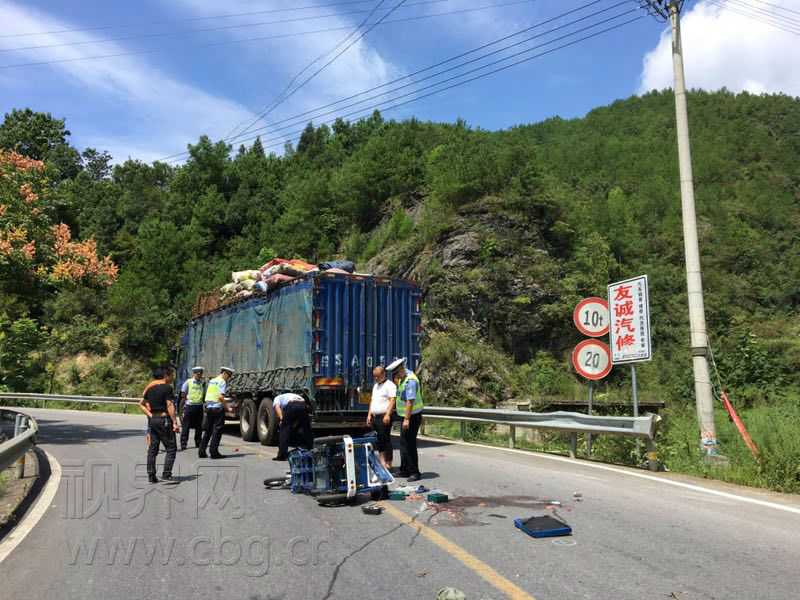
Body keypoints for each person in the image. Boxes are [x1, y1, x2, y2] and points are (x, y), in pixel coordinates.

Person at [139, 367, 179, 484]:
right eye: (171, 375)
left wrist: (150, 415)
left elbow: (141, 404)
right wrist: (175, 422)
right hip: (164, 420)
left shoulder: (150, 389)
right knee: (171, 448)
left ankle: (151, 476)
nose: (172, 377)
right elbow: (170, 405)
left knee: (152, 449)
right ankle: (167, 474)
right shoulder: (167, 388)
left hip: (154, 420)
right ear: (166, 375)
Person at [388, 357, 423, 482]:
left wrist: (407, 419)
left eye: (396, 374)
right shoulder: (403, 378)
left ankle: (415, 472)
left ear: (401, 369)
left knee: (410, 445)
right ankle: (405, 470)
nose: (395, 377)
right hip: (406, 417)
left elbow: (410, 402)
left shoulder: (410, 381)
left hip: (412, 417)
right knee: (403, 443)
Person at [198, 366, 232, 459]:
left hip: (209, 408)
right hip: (217, 408)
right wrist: (227, 407)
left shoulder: (213, 380)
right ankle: (214, 453)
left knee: (208, 430)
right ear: (224, 373)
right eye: (228, 376)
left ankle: (201, 451)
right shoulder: (222, 381)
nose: (229, 378)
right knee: (217, 431)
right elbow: (221, 397)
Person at [367, 365, 396, 470]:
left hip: (384, 417)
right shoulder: (376, 386)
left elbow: (392, 400)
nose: (375, 378)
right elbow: (372, 401)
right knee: (378, 441)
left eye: (377, 376)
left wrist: (388, 415)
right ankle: (383, 463)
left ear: (383, 374)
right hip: (375, 417)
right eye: (374, 376)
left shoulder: (390, 385)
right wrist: (369, 414)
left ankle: (389, 464)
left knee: (386, 440)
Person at [272, 392, 314, 461]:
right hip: (303, 405)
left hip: (292, 405)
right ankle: (311, 451)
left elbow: (277, 406)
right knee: (307, 429)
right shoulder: (291, 395)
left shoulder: (277, 398)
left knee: (284, 430)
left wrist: (282, 419)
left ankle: (281, 455)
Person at [179, 366, 205, 450]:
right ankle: (183, 443)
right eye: (198, 373)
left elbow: (203, 393)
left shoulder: (202, 382)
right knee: (186, 425)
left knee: (199, 426)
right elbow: (183, 394)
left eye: (201, 373)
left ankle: (198, 442)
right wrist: (188, 400)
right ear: (194, 373)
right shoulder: (188, 382)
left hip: (199, 406)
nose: (199, 375)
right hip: (190, 406)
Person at [141, 367, 167, 448]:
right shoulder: (154, 384)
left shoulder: (154, 383)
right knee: (151, 428)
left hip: (152, 409)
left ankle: (152, 446)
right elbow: (144, 396)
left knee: (152, 428)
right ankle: (151, 446)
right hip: (152, 409)